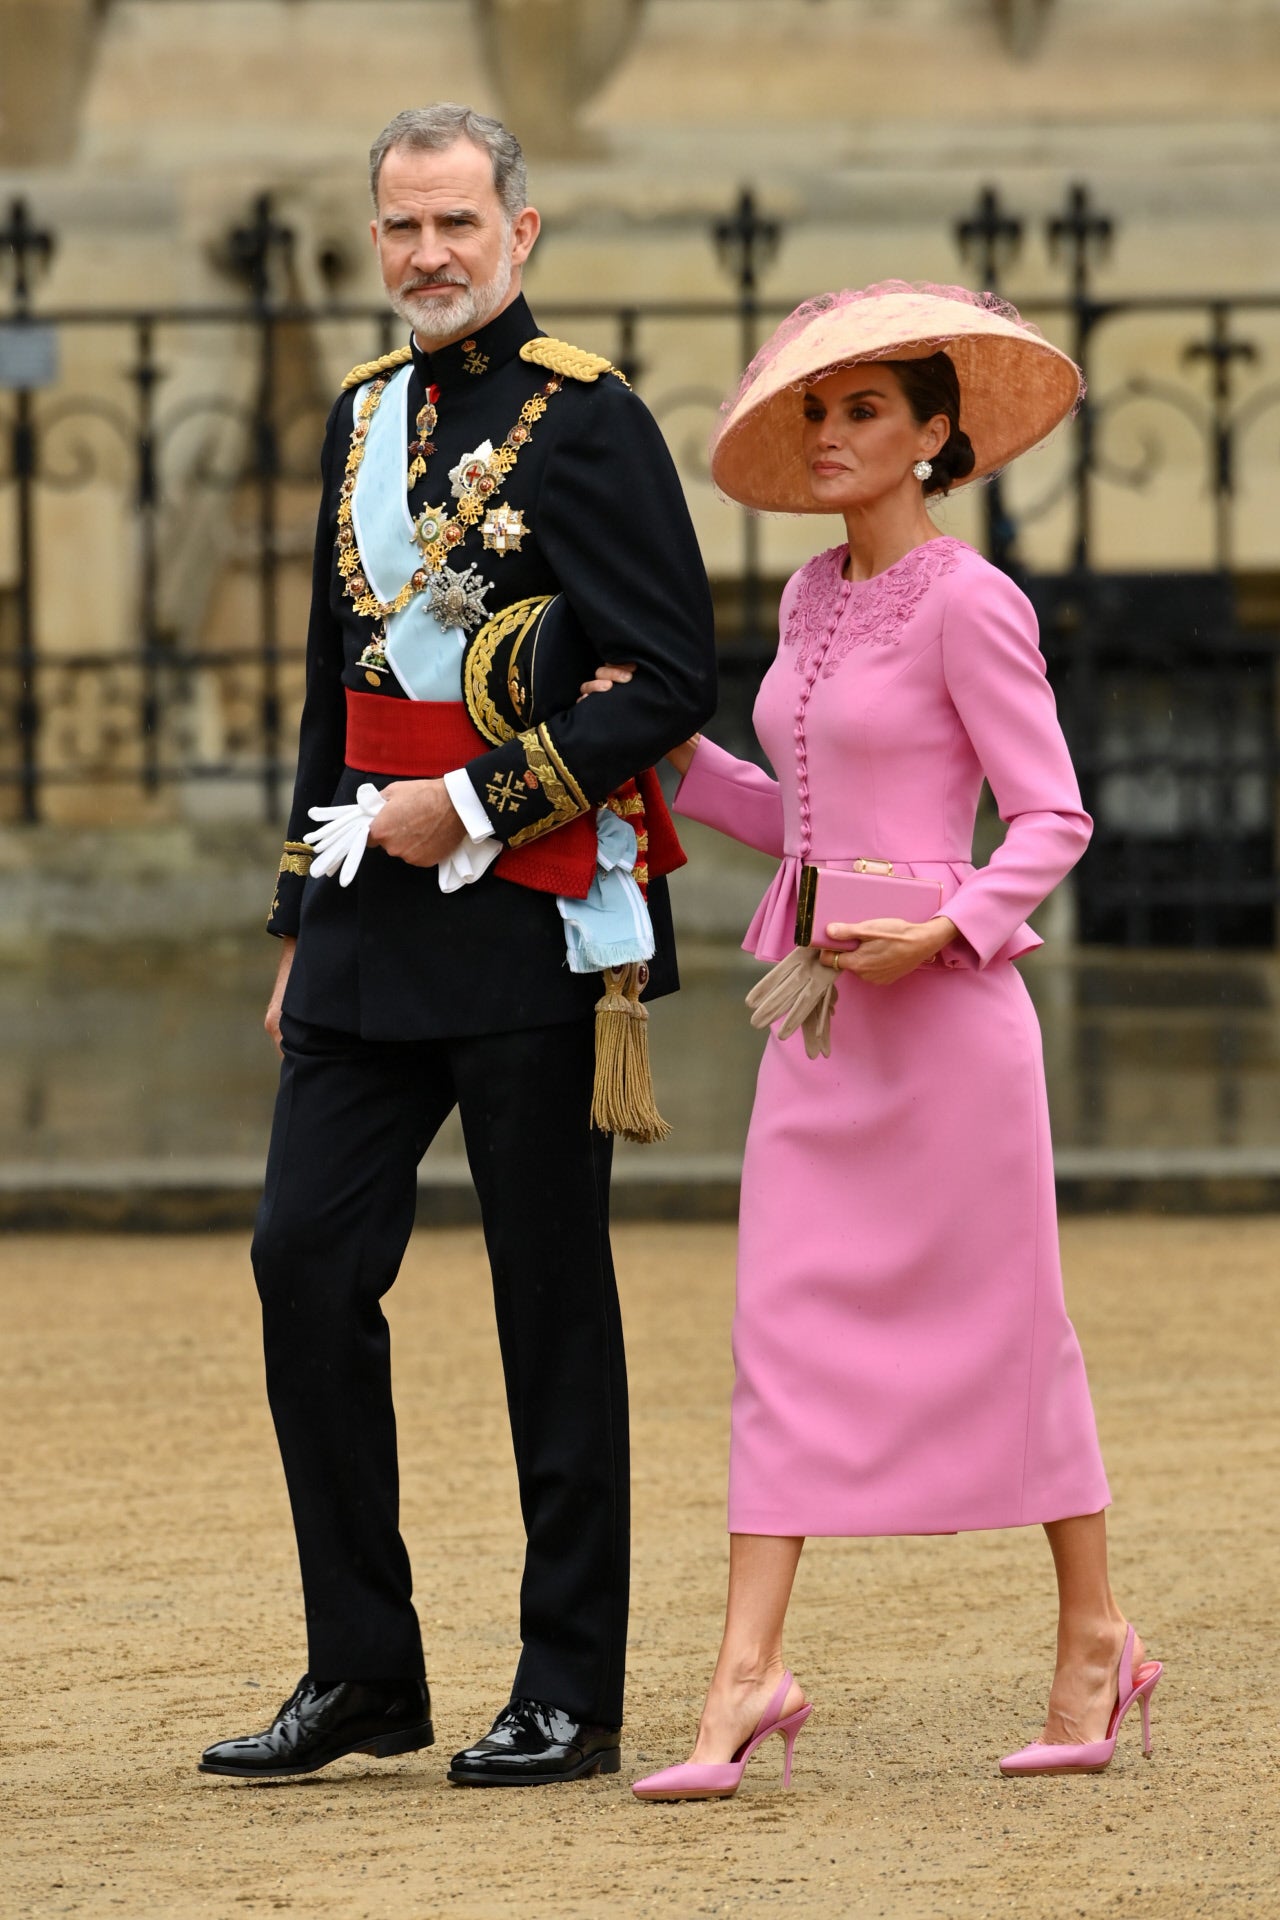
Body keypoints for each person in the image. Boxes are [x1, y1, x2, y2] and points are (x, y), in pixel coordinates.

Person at [584, 282, 1162, 1799]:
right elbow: (804, 819)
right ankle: (745, 1676)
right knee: (778, 1334)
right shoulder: (803, 602)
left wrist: (955, 925)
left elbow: (1053, 816)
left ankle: (1096, 1636)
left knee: (1015, 1332)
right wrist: (671, 756)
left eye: (863, 413)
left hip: (954, 1029)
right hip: (822, 1027)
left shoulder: (974, 598)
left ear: (932, 438)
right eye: (816, 414)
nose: (831, 437)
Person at [197, 103, 715, 1788]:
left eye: (460, 227)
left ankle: (567, 1687)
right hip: (364, 929)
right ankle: (365, 1672)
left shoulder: (593, 421)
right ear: (376, 242)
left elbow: (664, 676)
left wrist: (481, 803)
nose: (431, 255)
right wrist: (297, 916)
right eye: (403, 228)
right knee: (300, 1264)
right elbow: (328, 700)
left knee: (547, 1305)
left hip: (532, 920)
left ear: (522, 230)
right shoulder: (357, 415)